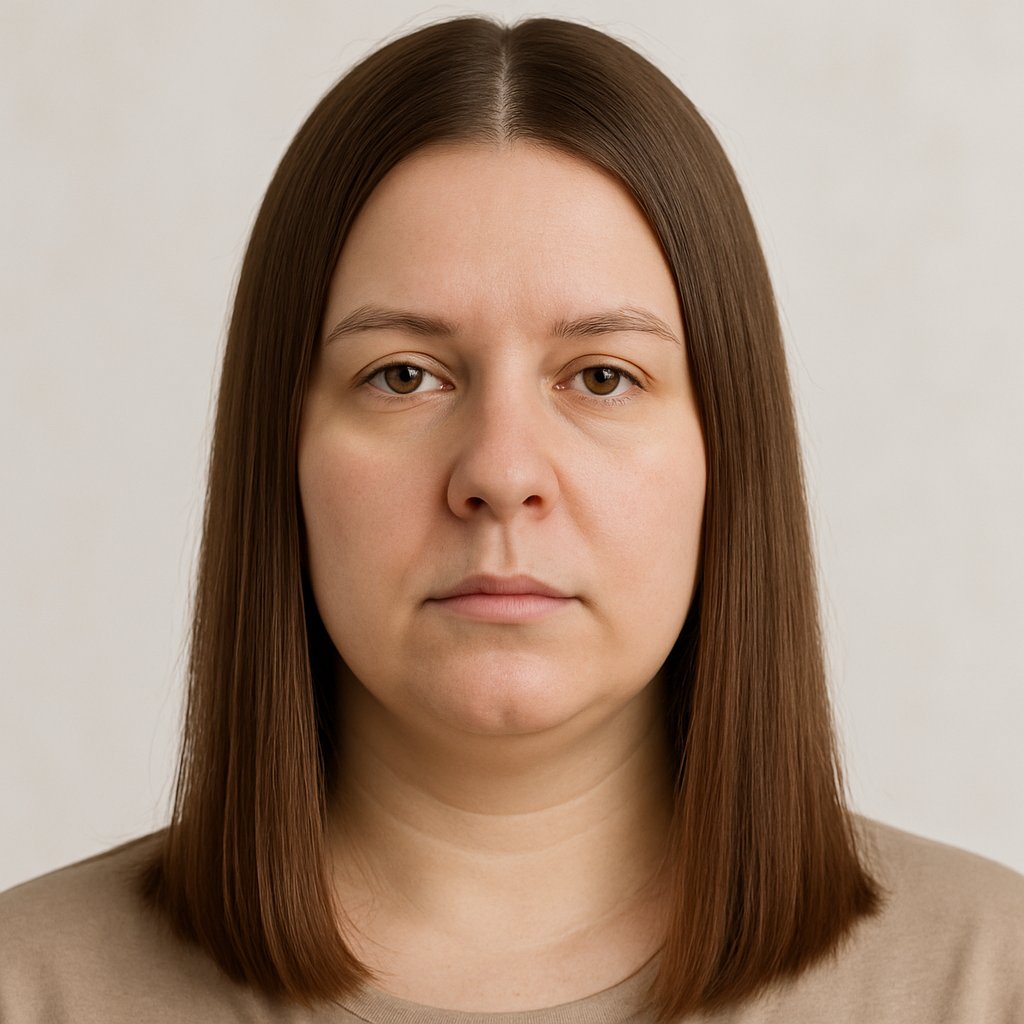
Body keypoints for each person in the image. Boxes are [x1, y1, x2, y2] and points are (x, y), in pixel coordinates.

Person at [1, 14, 1021, 1024]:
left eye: (601, 377)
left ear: (727, 454)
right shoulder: (30, 989)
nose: (499, 471)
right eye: (402, 376)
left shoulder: (987, 983)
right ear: (282, 454)